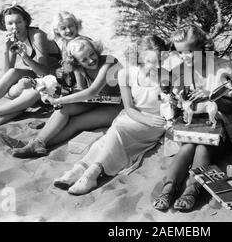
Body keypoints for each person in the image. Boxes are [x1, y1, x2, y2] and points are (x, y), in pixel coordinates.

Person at [52, 35, 170, 195]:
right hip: (133, 116)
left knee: (116, 132)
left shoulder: (168, 76)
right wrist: (143, 117)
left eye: (158, 60)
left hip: (155, 123)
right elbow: (128, 108)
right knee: (104, 140)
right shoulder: (126, 74)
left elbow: (172, 108)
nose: (153, 65)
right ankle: (80, 168)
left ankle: (92, 173)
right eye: (148, 61)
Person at [153, 26, 232, 212]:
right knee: (188, 146)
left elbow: (231, 108)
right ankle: (169, 187)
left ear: (203, 47)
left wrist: (211, 94)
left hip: (220, 126)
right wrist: (174, 99)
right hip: (193, 125)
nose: (185, 57)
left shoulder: (222, 66)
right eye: (180, 53)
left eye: (189, 52)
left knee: (202, 146)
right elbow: (177, 110)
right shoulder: (180, 70)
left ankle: (192, 189)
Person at [0, 11, 83, 129]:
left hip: (53, 78)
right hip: (48, 78)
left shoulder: (37, 36)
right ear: (4, 25)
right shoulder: (15, 38)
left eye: (18, 22)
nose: (15, 27)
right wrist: (6, 50)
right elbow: (7, 74)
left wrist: (25, 57)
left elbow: (45, 72)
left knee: (30, 91)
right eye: (10, 23)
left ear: (25, 21)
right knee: (15, 75)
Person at [11, 36, 123, 158]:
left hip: (118, 106)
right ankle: (38, 142)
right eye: (84, 59)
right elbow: (81, 90)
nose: (90, 60)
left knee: (76, 122)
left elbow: (92, 91)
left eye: (92, 54)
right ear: (76, 61)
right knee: (64, 109)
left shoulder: (109, 62)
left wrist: (57, 100)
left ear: (96, 50)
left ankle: (35, 144)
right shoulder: (79, 67)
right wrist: (55, 94)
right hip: (98, 101)